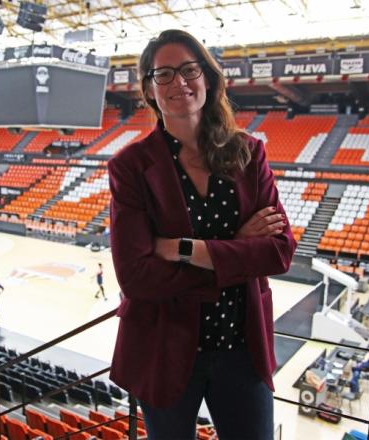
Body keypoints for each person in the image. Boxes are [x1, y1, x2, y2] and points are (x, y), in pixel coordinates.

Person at [107, 30, 296, 440]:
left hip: (243, 349)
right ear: (149, 90)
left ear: (208, 78)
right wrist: (237, 250)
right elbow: (136, 277)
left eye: (190, 70)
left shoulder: (249, 152)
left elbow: (280, 251)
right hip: (164, 348)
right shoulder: (130, 166)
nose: (179, 82)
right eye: (165, 74)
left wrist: (184, 250)